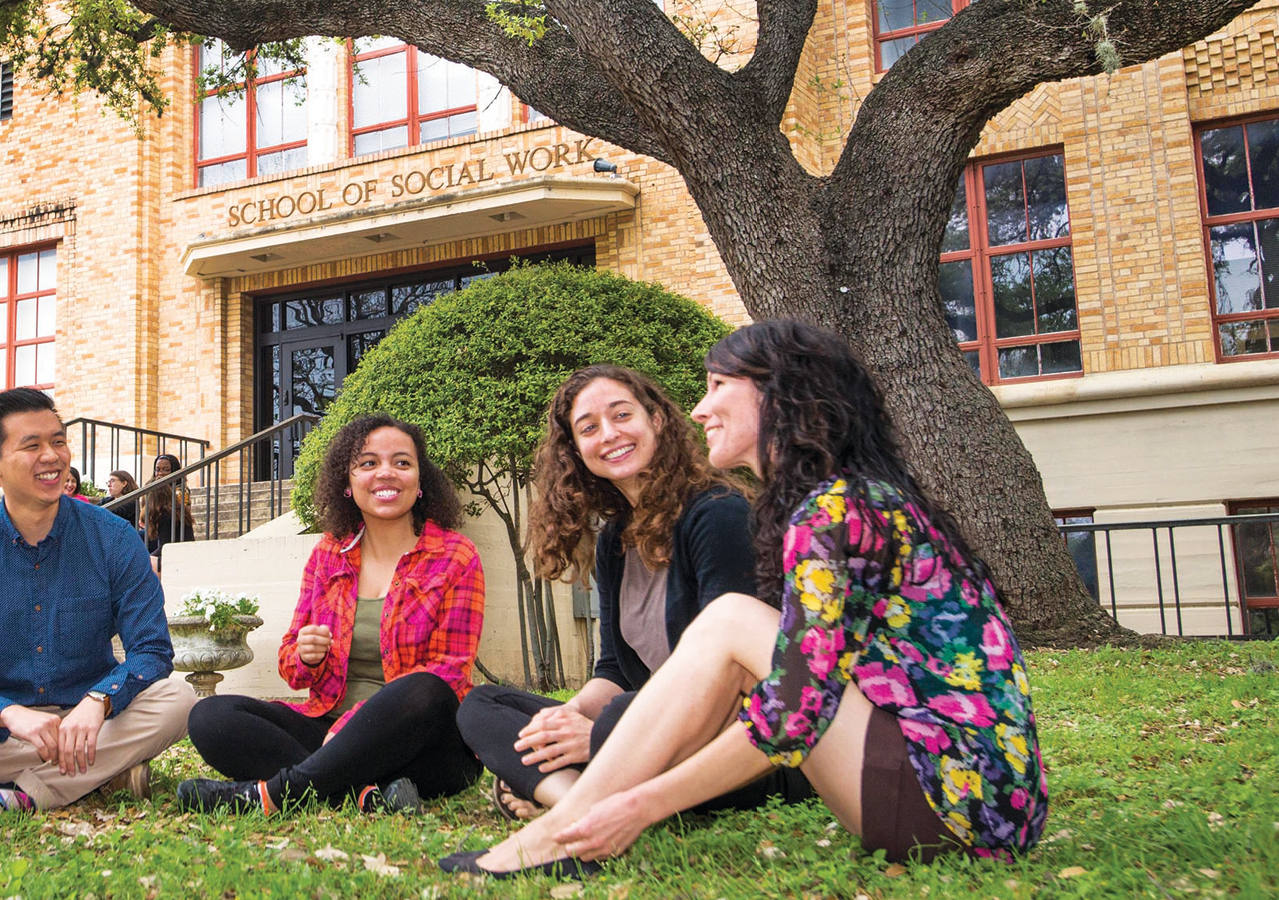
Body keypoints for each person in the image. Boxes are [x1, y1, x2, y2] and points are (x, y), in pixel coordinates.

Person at [438, 321, 1048, 879]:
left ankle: (569, 829)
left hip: (949, 804)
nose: (700, 408)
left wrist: (635, 806)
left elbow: (788, 711)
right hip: (956, 798)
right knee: (495, 705)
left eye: (717, 386)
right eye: (586, 427)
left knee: (727, 623)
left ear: (778, 395)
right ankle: (574, 820)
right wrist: (570, 724)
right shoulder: (839, 503)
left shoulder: (834, 512)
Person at [455, 365, 807, 821]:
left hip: (740, 743)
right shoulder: (615, 541)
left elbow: (732, 676)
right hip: (646, 729)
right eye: (589, 428)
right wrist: (570, 717)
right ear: (576, 451)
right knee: (485, 704)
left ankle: (563, 794)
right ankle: (578, 805)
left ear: (656, 419)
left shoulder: (717, 514)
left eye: (622, 415)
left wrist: (601, 731)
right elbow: (614, 670)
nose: (609, 435)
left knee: (619, 714)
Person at [0, 387, 196, 812]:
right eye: (32, 445)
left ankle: (12, 796)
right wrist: (9, 714)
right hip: (4, 725)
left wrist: (100, 700)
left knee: (179, 701)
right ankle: (102, 775)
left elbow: (151, 650)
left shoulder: (113, 539)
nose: (52, 456)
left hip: (94, 717)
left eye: (58, 441)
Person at [178, 415, 485, 815]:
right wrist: (305, 654)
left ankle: (271, 795)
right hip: (327, 724)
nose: (386, 473)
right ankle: (361, 790)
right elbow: (291, 666)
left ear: (420, 479)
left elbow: (451, 672)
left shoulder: (455, 557)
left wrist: (351, 728)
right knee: (210, 716)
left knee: (425, 688)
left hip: (422, 742)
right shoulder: (328, 554)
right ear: (348, 481)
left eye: (402, 462)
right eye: (368, 463)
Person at [141, 454, 196, 559]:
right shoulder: (152, 488)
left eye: (165, 470)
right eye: (158, 470)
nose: (160, 474)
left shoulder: (180, 492)